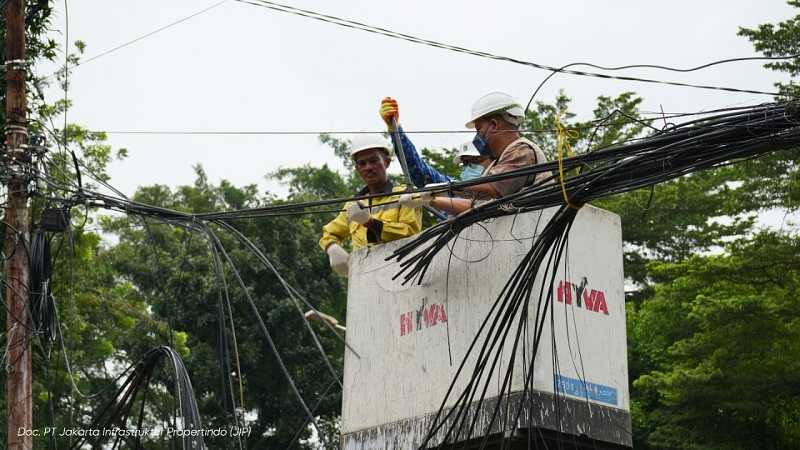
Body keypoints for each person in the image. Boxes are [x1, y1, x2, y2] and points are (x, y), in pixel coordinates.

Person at [399, 92, 549, 215]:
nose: (477, 138)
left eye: (478, 129)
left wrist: (450, 186)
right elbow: (475, 206)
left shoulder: (521, 150)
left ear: (494, 125)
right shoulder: (497, 164)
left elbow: (495, 188)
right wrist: (429, 200)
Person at [319, 134, 423, 277]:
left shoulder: (406, 195)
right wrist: (331, 247)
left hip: (399, 273)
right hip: (363, 278)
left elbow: (410, 232)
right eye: (362, 163)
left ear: (386, 162)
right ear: (357, 169)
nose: (368, 167)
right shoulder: (353, 204)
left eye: (374, 160)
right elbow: (329, 232)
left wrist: (371, 223)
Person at [379, 97, 491, 185]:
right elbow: (421, 173)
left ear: (492, 159)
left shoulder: (505, 186)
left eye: (476, 160)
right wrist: (395, 129)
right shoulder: (456, 192)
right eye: (466, 163)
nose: (469, 168)